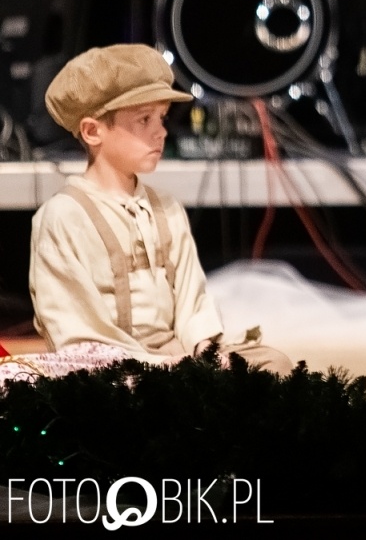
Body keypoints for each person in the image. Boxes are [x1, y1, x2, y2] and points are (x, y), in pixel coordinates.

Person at [29, 44, 293, 373]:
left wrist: (207, 353)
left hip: (174, 355)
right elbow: (76, 329)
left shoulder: (166, 209)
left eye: (162, 118)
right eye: (144, 119)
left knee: (273, 365)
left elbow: (191, 303)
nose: (161, 131)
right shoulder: (63, 217)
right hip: (107, 364)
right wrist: (157, 366)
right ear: (93, 131)